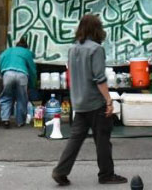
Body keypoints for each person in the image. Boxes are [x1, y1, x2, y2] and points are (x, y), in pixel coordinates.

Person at [52, 15, 127, 186]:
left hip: (79, 102)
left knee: (75, 139)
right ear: (97, 29)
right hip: (95, 102)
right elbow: (99, 79)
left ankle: (60, 171)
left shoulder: (73, 49)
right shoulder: (96, 49)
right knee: (102, 139)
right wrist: (108, 100)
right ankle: (106, 174)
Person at [0, 36, 37, 128]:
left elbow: (0, 63)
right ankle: (20, 122)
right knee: (22, 98)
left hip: (8, 74)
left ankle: (5, 119)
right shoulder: (27, 53)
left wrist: (1, 73)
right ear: (26, 47)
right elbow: (32, 70)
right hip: (22, 75)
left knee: (6, 96)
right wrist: (32, 84)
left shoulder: (7, 51)